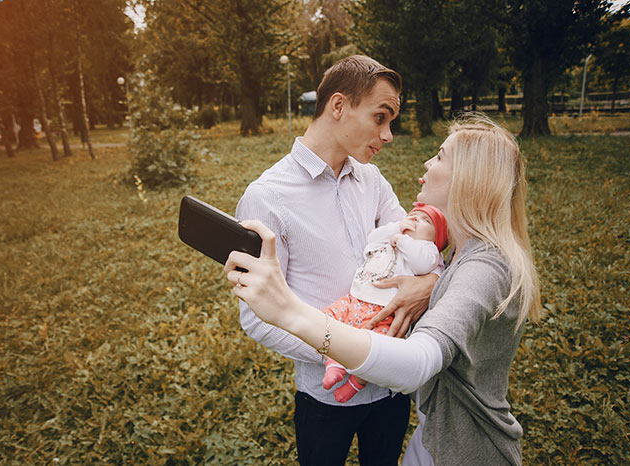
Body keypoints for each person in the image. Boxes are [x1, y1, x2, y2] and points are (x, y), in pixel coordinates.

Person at [226, 114, 542, 466]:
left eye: (439, 156)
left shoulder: (484, 267)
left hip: (465, 449)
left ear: (469, 178)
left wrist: (288, 311)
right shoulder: (462, 253)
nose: (426, 161)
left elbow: (419, 360)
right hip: (431, 436)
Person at [234, 55, 438, 466]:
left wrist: (431, 282)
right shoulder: (266, 197)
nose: (388, 135)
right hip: (324, 395)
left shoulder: (373, 180)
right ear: (339, 106)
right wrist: (342, 350)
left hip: (392, 383)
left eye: (391, 122)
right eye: (381, 118)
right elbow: (255, 316)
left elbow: (418, 249)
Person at [322, 202, 447, 403]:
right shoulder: (388, 240)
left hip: (384, 312)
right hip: (356, 299)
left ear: (437, 238)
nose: (416, 219)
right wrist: (396, 229)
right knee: (327, 318)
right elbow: (372, 238)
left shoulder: (428, 250)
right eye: (414, 215)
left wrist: (403, 241)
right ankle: (332, 363)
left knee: (374, 349)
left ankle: (356, 383)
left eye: (426, 221)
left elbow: (422, 263)